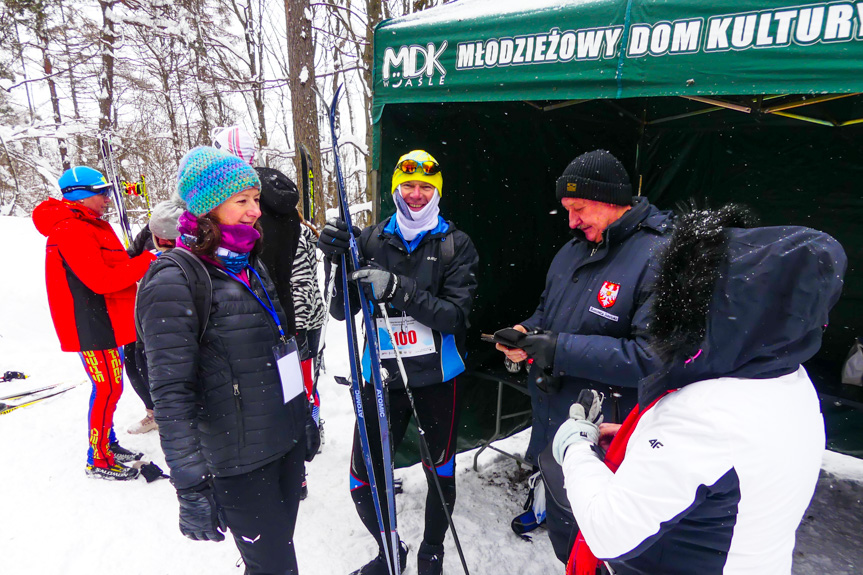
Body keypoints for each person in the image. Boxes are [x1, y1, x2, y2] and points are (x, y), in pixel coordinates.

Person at [552, 205, 847, 574]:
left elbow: (608, 531)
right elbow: (717, 470)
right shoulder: (787, 382)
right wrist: (640, 439)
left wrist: (576, 449)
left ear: (721, 309)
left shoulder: (707, 416)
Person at [136, 146, 318, 574]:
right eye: (242, 201)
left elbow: (281, 349)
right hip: (238, 461)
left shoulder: (250, 262)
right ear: (207, 207)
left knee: (274, 557)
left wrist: (302, 415)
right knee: (277, 568)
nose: (256, 211)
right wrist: (191, 485)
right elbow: (171, 393)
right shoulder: (174, 278)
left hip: (283, 442)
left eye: (255, 199)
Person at [495, 149, 672, 557]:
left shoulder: (658, 256)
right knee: (565, 536)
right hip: (555, 418)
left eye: (579, 209)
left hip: (609, 434)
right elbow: (547, 312)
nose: (571, 221)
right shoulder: (572, 250)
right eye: (566, 210)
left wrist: (557, 348)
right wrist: (525, 334)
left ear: (613, 200)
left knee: (604, 548)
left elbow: (651, 358)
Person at [318, 150, 479, 575]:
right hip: (381, 378)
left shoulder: (453, 245)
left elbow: (455, 316)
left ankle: (431, 550)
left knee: (439, 472)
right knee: (361, 478)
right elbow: (340, 310)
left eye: (426, 187)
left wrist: (397, 289)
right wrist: (336, 258)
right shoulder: (371, 240)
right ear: (395, 188)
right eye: (408, 185)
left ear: (437, 191)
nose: (416, 195)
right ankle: (390, 549)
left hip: (437, 379)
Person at [32, 166, 155, 480]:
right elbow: (100, 280)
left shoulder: (91, 225)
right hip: (89, 322)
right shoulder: (71, 229)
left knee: (111, 388)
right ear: (81, 194)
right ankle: (98, 459)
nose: (107, 198)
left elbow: (116, 265)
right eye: (102, 192)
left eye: (108, 191)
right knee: (107, 388)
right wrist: (147, 261)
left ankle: (107, 444)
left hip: (106, 319)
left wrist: (141, 260)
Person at [125, 197, 185, 434]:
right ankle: (153, 413)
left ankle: (179, 418)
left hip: (178, 312)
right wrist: (146, 262)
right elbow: (129, 259)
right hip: (146, 310)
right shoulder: (150, 233)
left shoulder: (196, 232)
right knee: (136, 361)